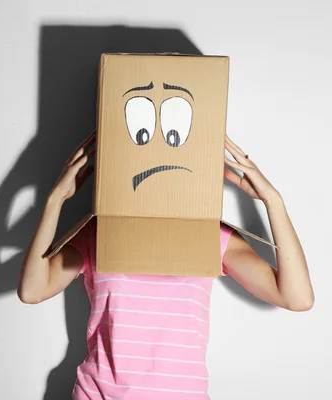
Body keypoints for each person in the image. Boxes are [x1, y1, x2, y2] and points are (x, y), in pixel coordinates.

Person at [18, 131, 314, 399]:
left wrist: (273, 201)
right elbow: (32, 290)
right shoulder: (100, 233)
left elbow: (297, 298)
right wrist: (55, 200)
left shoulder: (211, 237)